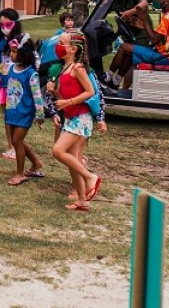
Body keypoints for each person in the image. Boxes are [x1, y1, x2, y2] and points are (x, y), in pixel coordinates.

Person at [51, 35, 102, 211]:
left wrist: (69, 102)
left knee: (58, 150)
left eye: (61, 43)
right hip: (71, 117)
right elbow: (63, 99)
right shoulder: (63, 69)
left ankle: (90, 178)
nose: (57, 46)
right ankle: (82, 200)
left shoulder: (78, 67)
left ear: (72, 49)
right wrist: (56, 95)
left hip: (81, 117)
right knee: (74, 160)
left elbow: (89, 91)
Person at [104, 0, 169, 90]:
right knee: (130, 52)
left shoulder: (167, 17)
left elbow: (154, 40)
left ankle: (107, 77)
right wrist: (142, 26)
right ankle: (116, 82)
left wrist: (145, 20)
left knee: (124, 47)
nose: (156, 0)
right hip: (168, 55)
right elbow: (161, 39)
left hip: (164, 57)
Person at [0, 8, 29, 159]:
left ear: (15, 23)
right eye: (2, 24)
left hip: (17, 83)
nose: (5, 28)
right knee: (7, 116)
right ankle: (11, 146)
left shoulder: (22, 40)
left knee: (14, 115)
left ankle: (17, 145)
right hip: (3, 83)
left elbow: (32, 58)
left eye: (8, 24)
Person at [4, 40, 45, 185]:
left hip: (25, 112)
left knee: (16, 141)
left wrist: (40, 115)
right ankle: (36, 163)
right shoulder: (10, 68)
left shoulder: (31, 74)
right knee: (18, 141)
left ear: (24, 54)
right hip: (12, 111)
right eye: (11, 51)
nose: (11, 54)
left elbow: (37, 95)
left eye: (14, 51)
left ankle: (20, 174)